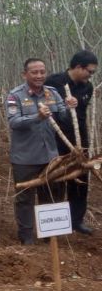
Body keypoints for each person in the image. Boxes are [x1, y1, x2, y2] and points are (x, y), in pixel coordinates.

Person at [7, 58, 75, 244]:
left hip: (50, 156)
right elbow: (14, 122)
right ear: (25, 74)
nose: (39, 76)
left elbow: (63, 117)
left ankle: (48, 236)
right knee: (25, 199)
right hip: (25, 158)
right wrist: (37, 117)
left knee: (50, 195)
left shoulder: (52, 93)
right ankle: (26, 238)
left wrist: (70, 107)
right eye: (34, 72)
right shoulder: (15, 96)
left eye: (42, 72)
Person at [45, 50, 97, 235]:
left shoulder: (87, 87)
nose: (90, 76)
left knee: (81, 177)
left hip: (80, 138)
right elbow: (47, 109)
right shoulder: (53, 82)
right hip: (57, 137)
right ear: (77, 67)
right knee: (58, 177)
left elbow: (81, 115)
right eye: (89, 72)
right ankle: (57, 221)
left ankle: (77, 220)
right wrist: (64, 106)